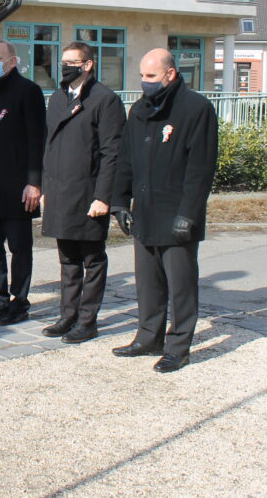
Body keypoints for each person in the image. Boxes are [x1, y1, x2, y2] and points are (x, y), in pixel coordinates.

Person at [110, 48, 218, 373]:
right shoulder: (139, 110)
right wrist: (119, 201)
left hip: (176, 214)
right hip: (144, 211)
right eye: (142, 76)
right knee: (148, 283)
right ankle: (148, 337)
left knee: (181, 286)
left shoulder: (195, 108)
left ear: (170, 74)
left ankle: (178, 347)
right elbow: (126, 159)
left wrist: (189, 214)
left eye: (151, 76)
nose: (145, 82)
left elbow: (200, 169)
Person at [40, 42, 126, 344]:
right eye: (62, 62)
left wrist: (104, 197)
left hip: (89, 193)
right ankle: (68, 315)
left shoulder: (105, 100)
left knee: (92, 259)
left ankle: (88, 321)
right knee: (67, 259)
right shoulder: (57, 98)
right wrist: (45, 187)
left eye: (71, 62)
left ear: (88, 65)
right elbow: (49, 146)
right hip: (60, 191)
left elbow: (112, 153)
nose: (65, 67)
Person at [0, 40, 46, 325]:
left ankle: (19, 301)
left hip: (19, 186)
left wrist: (34, 182)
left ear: (12, 61)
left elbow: (37, 140)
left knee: (19, 247)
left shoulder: (28, 91)